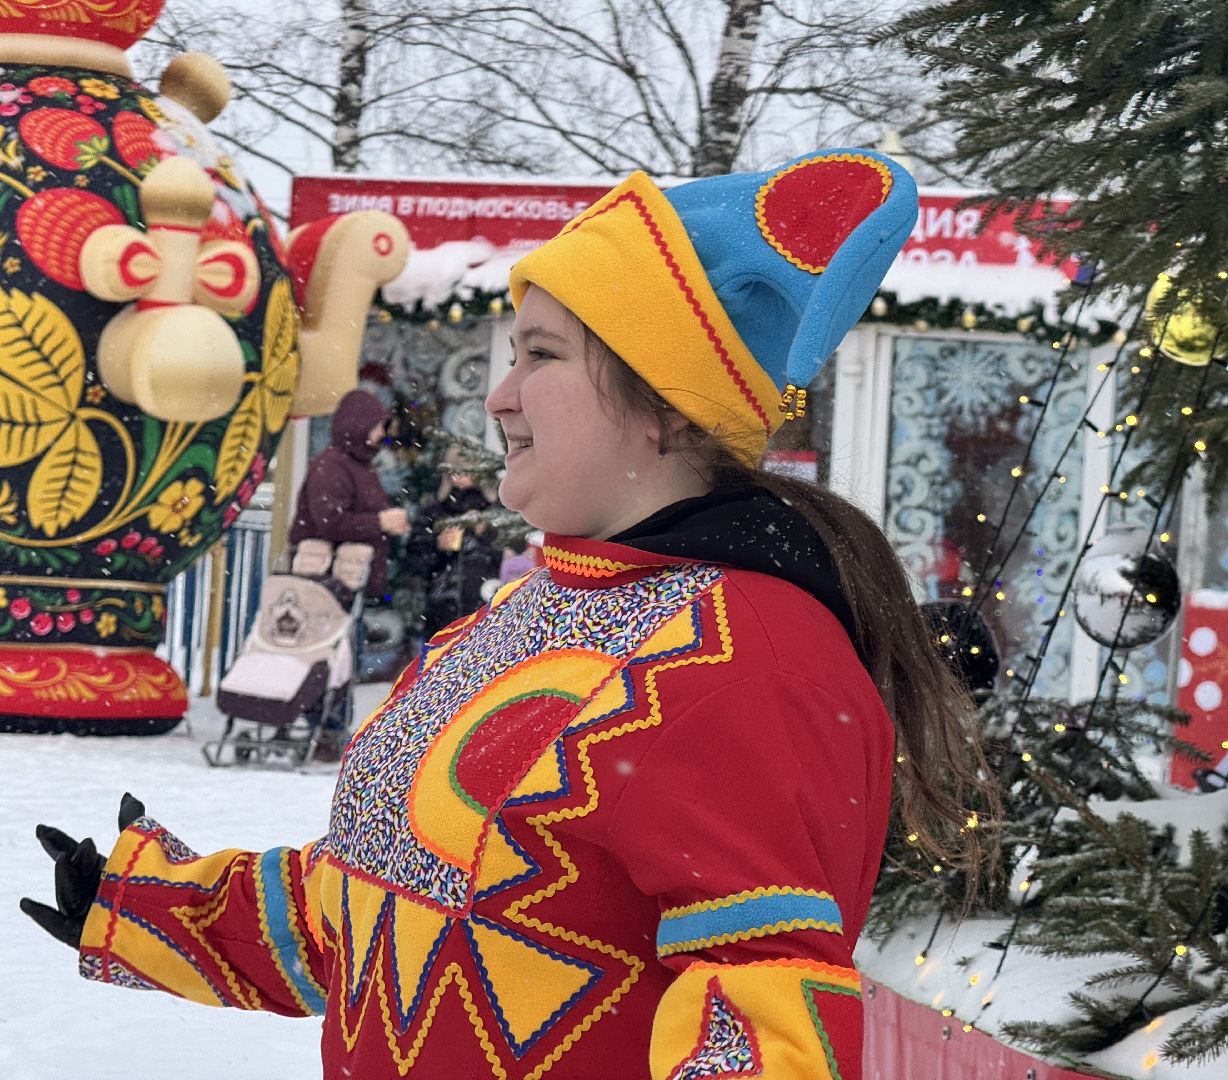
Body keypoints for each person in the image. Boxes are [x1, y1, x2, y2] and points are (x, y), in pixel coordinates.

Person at [21, 149, 1003, 1079]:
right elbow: (370, 906)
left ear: (662, 403)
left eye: (539, 354)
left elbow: (765, 1030)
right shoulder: (514, 622)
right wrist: (151, 905)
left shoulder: (749, 659)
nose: (497, 396)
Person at [288, 388, 411, 600]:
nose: (382, 432)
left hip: (348, 585)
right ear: (359, 424)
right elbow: (330, 522)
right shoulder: (332, 466)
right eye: (377, 425)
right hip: (327, 589)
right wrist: (380, 523)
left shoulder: (359, 464)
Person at [404, 444, 503, 637]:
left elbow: (514, 558)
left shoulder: (497, 510)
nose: (459, 479)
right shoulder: (436, 511)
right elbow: (415, 561)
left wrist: (485, 533)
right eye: (453, 472)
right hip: (442, 610)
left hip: (487, 606)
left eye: (465, 471)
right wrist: (437, 546)